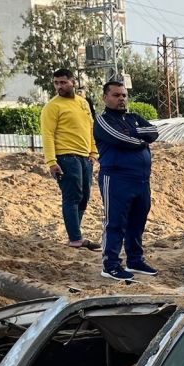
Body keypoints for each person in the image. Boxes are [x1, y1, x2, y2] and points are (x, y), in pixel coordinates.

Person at [93, 80, 159, 282]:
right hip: (116, 178)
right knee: (115, 222)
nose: (121, 98)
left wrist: (134, 133)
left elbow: (154, 132)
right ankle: (111, 265)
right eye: (116, 95)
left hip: (141, 180)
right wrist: (140, 138)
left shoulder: (133, 117)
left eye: (123, 95)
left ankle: (135, 260)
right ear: (105, 97)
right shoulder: (102, 120)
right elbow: (122, 140)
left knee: (137, 221)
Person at [41, 68, 100, 251]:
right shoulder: (52, 107)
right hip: (66, 157)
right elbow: (47, 135)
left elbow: (91, 128)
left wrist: (93, 153)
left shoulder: (83, 103)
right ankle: (75, 238)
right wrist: (51, 161)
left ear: (73, 82)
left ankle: (76, 235)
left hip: (85, 158)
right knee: (72, 196)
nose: (59, 86)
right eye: (56, 83)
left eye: (63, 82)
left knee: (84, 198)